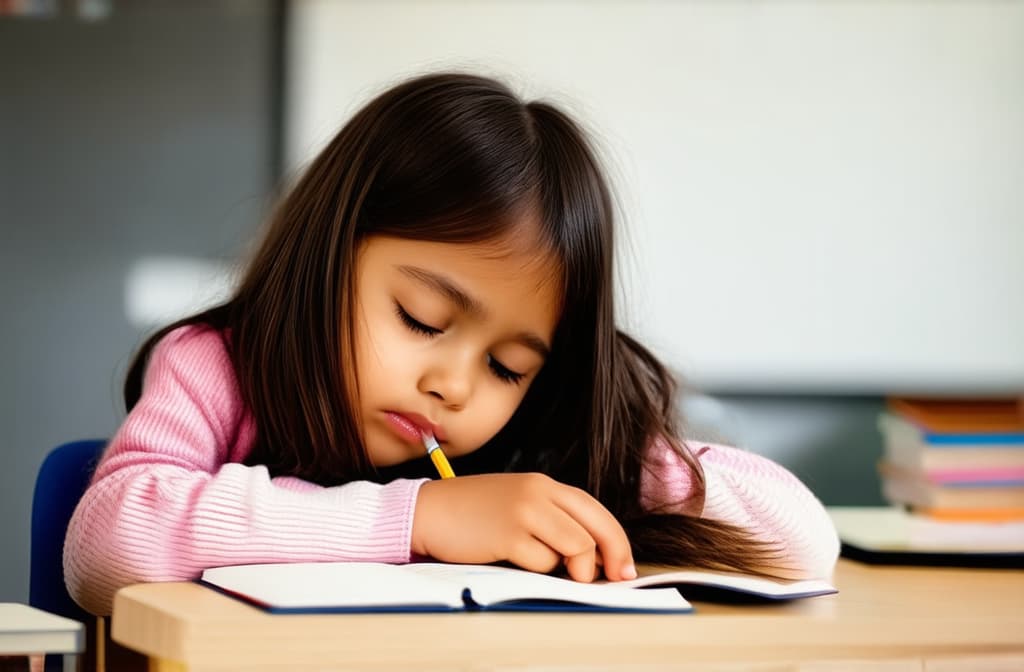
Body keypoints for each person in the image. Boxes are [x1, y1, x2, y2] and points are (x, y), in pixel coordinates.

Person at [64, 72, 839, 615]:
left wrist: (608, 466)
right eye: (423, 319)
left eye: (508, 367)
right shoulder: (220, 366)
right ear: (329, 252)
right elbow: (108, 541)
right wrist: (422, 517)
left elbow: (801, 543)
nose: (455, 386)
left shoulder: (539, 431)